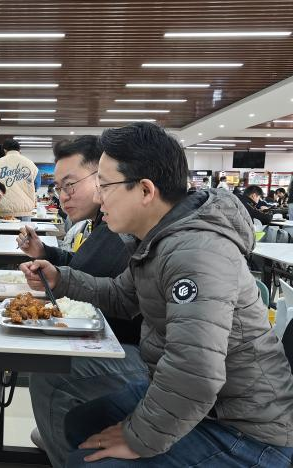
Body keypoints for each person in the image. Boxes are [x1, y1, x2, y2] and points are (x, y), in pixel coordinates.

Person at [21, 122, 293, 467]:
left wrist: (137, 438)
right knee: (81, 424)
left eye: (105, 186)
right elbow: (121, 296)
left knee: (87, 459)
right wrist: (60, 278)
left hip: (245, 430)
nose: (99, 197)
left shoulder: (195, 252)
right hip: (209, 404)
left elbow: (195, 374)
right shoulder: (160, 240)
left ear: (145, 190)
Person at [16, 136, 140, 466]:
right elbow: (92, 274)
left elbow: (89, 280)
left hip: (143, 355)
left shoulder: (125, 228)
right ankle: (62, 432)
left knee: (49, 373)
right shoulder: (104, 224)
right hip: (124, 339)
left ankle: (64, 447)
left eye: (70, 185)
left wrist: (147, 434)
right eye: (58, 187)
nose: (63, 196)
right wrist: (47, 255)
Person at [0, 138, 38, 221]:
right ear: (19, 150)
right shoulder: (30, 164)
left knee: (6, 229)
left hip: (4, 211)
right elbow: (37, 184)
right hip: (25, 211)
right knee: (25, 229)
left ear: (5, 150)